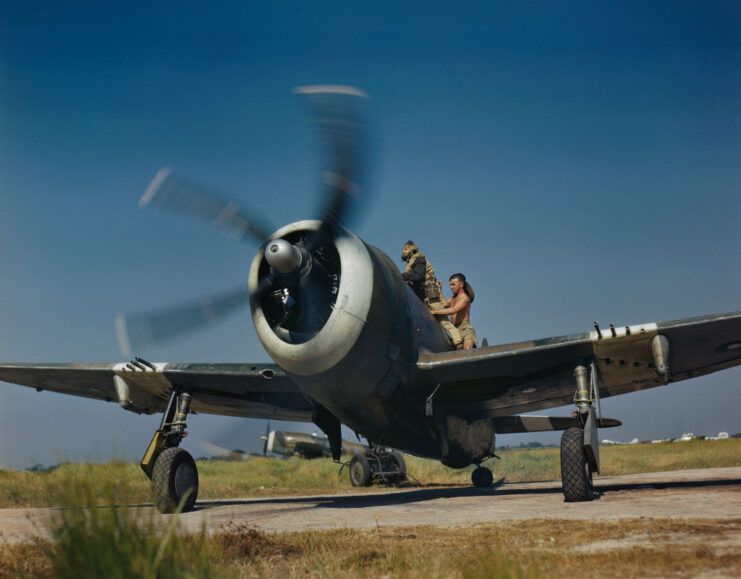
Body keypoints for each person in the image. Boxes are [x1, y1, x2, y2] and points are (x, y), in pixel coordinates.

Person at [400, 241, 463, 349]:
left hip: (430, 293)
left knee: (442, 319)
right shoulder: (411, 261)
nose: (403, 251)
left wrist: (402, 276)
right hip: (423, 295)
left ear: (411, 250)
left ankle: (458, 342)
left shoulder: (419, 259)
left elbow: (418, 275)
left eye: (405, 249)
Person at [433, 273, 477, 350]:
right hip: (454, 330)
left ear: (461, 284)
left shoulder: (465, 298)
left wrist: (434, 312)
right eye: (450, 285)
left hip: (465, 329)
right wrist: (440, 290)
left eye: (453, 284)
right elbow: (444, 304)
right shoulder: (453, 299)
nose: (451, 287)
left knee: (467, 351)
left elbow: (453, 310)